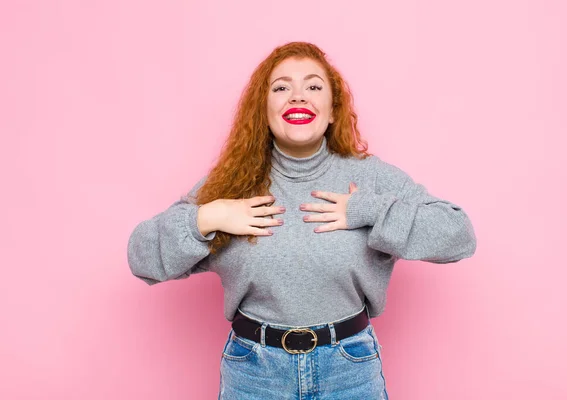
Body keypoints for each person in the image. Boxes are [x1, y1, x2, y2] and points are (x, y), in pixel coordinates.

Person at [127, 41, 477, 399]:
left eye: (313, 86)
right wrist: (210, 216)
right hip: (254, 375)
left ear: (332, 112)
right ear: (262, 111)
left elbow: (459, 234)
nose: (298, 96)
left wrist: (369, 211)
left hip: (349, 371)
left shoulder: (370, 178)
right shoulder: (230, 186)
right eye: (281, 88)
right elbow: (141, 258)